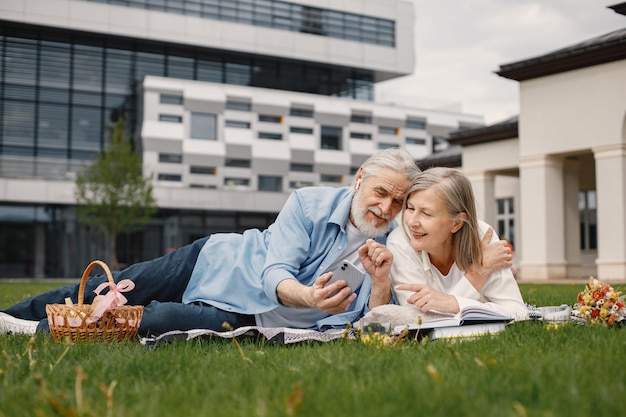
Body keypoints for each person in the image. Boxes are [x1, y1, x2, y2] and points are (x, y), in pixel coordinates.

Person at [0, 148, 420, 337]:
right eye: (381, 192)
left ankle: (36, 332)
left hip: (251, 319)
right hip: (216, 263)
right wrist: (310, 298)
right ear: (360, 178)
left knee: (153, 321)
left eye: (398, 202)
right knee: (110, 287)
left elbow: (372, 320)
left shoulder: (389, 246)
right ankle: (10, 317)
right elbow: (275, 274)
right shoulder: (309, 204)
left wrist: (378, 280)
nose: (386, 207)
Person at [387, 167, 527, 320]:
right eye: (410, 208)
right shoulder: (399, 242)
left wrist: (451, 303)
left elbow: (518, 312)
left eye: (426, 213)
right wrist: (476, 274)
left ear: (457, 223)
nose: (411, 222)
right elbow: (418, 319)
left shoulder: (482, 237)